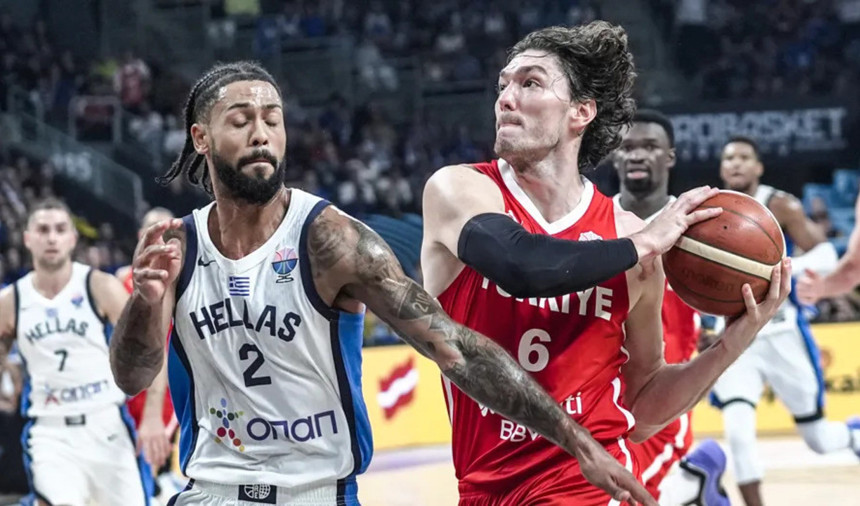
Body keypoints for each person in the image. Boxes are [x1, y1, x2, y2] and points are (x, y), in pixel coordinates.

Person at [108, 60, 656, 506]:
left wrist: (578, 442)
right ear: (201, 137)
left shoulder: (333, 241)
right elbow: (132, 377)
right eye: (240, 120)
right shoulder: (178, 249)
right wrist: (144, 303)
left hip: (314, 494)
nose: (261, 135)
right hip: (209, 492)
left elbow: (456, 349)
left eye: (273, 120)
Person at [420, 22, 790, 506]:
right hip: (483, 487)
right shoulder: (459, 189)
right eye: (503, 85)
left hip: (589, 485)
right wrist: (642, 243)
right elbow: (520, 264)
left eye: (530, 83)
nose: (506, 99)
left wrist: (731, 343)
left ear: (581, 112)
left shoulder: (627, 235)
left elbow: (643, 407)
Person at [713, 136, 860, 506]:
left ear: (758, 167)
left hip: (782, 332)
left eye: (744, 157)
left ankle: (854, 436)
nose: (736, 163)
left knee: (819, 439)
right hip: (736, 337)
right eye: (729, 157)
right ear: (722, 167)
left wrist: (781, 273)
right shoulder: (711, 207)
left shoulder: (780, 204)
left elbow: (825, 253)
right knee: (738, 434)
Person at [0, 198, 153, 505]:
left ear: (72, 238)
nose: (52, 238)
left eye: (60, 229)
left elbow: (149, 349)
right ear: (27, 238)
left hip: (106, 425)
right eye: (43, 230)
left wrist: (152, 418)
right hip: (51, 432)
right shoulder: (11, 300)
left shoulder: (100, 286)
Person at [612, 109, 729, 505]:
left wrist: (715, 329)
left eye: (650, 146)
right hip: (603, 391)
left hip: (662, 389)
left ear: (670, 157)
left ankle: (695, 476)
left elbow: (734, 287)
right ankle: (695, 485)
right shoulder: (595, 219)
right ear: (615, 155)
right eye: (627, 147)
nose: (637, 155)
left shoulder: (701, 225)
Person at [115, 206, 178, 500]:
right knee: (127, 464)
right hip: (127, 388)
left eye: (166, 231)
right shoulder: (119, 281)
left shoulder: (181, 281)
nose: (159, 237)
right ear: (142, 235)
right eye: (154, 229)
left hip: (166, 385)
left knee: (153, 459)